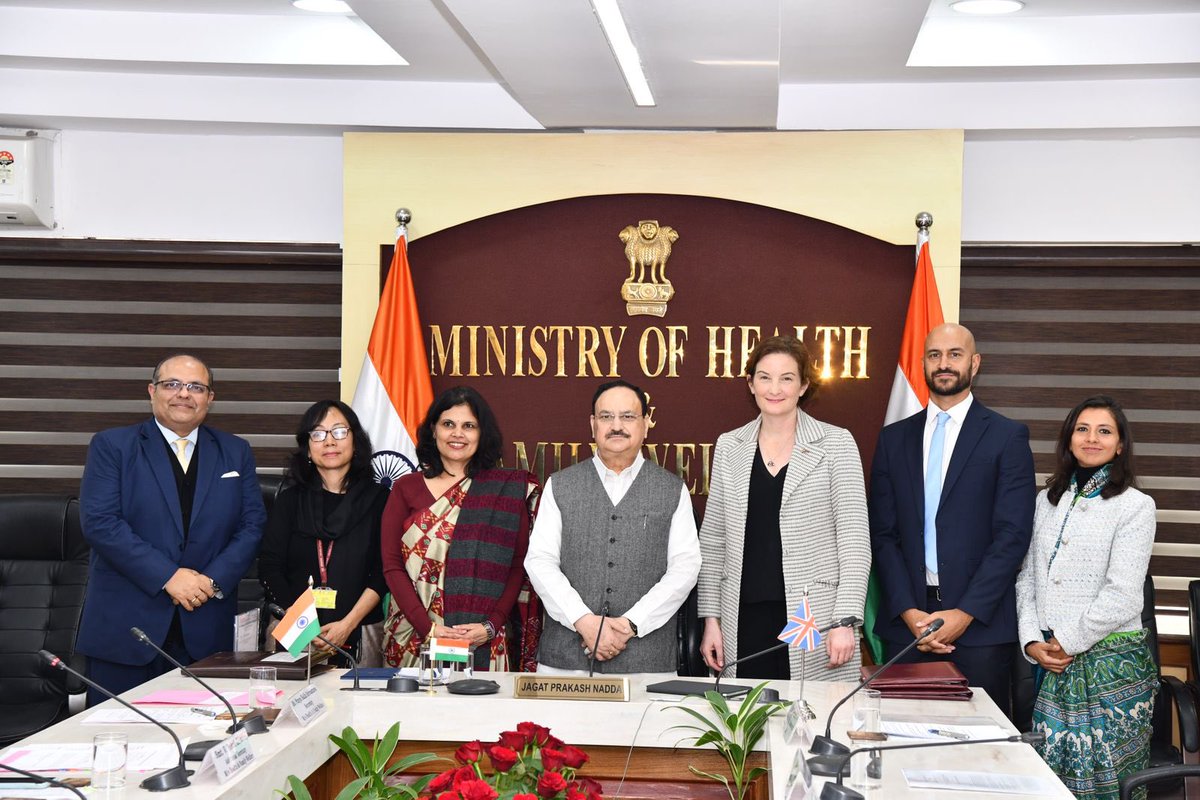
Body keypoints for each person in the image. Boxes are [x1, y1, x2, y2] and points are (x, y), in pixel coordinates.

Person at [77, 354, 266, 702]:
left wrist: (210, 581)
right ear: (152, 391)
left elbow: (252, 525)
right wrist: (169, 576)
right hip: (127, 633)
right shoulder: (112, 446)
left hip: (206, 628)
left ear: (210, 398)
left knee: (202, 742)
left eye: (196, 387)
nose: (184, 394)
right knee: (120, 742)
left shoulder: (235, 451)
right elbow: (100, 523)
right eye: (172, 385)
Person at [869, 323, 1035, 715]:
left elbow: (1012, 535)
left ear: (974, 364)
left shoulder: (1006, 436)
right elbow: (883, 534)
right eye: (934, 355)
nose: (944, 364)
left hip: (978, 630)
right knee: (899, 745)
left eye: (955, 354)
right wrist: (909, 613)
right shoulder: (893, 440)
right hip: (906, 628)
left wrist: (964, 614)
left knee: (977, 751)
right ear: (923, 363)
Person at [697, 335, 870, 682]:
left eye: (787, 378)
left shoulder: (836, 443)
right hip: (741, 619)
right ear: (751, 384)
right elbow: (714, 541)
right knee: (744, 728)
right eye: (764, 377)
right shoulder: (730, 446)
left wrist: (844, 620)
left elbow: (854, 540)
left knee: (812, 723)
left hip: (816, 619)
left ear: (804, 385)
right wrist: (711, 620)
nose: (774, 388)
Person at [1016, 396, 1157, 800]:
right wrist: (1031, 641)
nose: (1091, 438)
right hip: (1049, 660)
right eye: (1082, 429)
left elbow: (1125, 595)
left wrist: (1066, 641)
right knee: (1047, 780)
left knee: (1107, 785)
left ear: (1121, 445)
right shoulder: (1046, 500)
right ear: (1069, 439)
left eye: (1104, 431)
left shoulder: (1135, 506)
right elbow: (1027, 578)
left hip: (1108, 668)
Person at [524, 379, 702, 675]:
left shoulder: (673, 489)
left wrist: (630, 625)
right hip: (565, 665)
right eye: (606, 417)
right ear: (593, 425)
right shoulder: (560, 485)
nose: (616, 425)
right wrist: (583, 620)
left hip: (648, 664)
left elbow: (686, 567)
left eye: (628, 416)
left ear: (645, 424)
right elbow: (540, 561)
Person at [381, 386, 541, 671]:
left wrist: (490, 626)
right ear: (433, 430)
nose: (458, 434)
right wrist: (426, 626)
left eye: (469, 426)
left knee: (482, 713)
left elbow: (517, 566)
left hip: (483, 639)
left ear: (482, 434)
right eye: (448, 424)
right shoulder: (406, 488)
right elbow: (392, 564)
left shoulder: (504, 491)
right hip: (414, 636)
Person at [258, 400, 388, 666]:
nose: (329, 442)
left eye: (339, 431)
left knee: (357, 705)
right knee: (292, 705)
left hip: (359, 629)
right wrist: (303, 623)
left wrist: (347, 625)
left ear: (355, 441)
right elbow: (270, 567)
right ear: (307, 446)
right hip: (293, 627)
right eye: (318, 434)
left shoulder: (380, 499)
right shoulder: (289, 499)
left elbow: (383, 571)